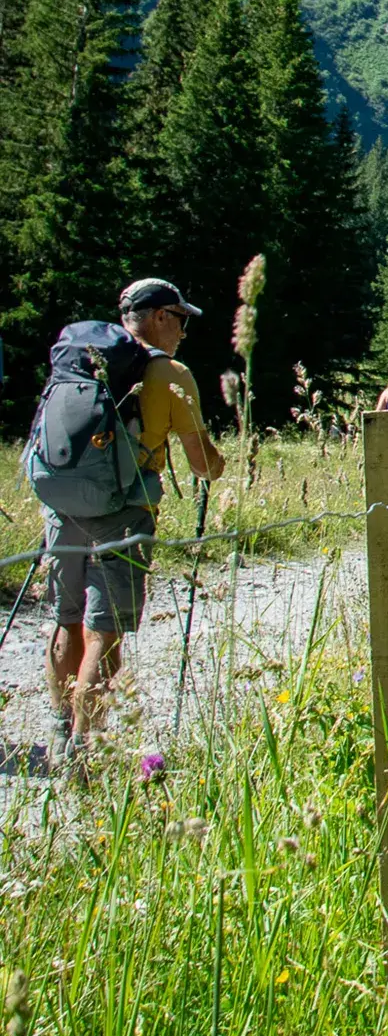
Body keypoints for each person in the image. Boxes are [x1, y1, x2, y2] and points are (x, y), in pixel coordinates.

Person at [44, 278, 225, 775]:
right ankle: (84, 753)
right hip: (124, 510)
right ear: (160, 316)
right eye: (181, 319)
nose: (184, 331)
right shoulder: (169, 373)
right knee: (105, 630)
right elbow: (201, 465)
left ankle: (60, 730)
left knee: (68, 618)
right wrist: (218, 462)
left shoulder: (80, 359)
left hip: (62, 506)